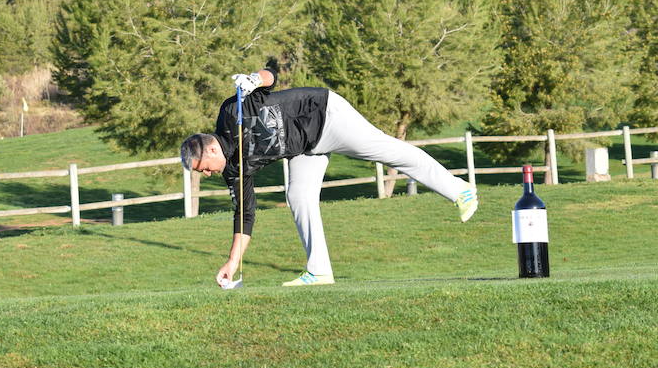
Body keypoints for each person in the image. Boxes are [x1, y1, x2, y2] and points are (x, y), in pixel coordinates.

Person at [179, 68, 478, 288]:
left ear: (212, 148)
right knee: (297, 196)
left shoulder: (233, 112)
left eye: (204, 167)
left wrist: (255, 79)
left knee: (389, 152)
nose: (206, 174)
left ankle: (460, 190)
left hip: (325, 115)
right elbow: (244, 215)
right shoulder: (233, 170)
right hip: (306, 148)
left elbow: (271, 76)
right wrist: (232, 262)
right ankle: (319, 270)